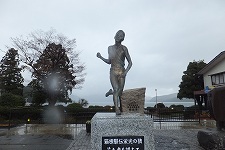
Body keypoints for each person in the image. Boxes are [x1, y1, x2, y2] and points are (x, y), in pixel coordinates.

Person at [97, 30, 132, 115]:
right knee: (116, 89)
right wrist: (101, 57)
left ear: (123, 38)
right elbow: (109, 61)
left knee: (120, 92)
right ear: (115, 36)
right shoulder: (110, 48)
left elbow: (130, 62)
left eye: (121, 36)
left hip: (121, 71)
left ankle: (110, 92)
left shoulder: (124, 48)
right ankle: (117, 108)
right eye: (118, 35)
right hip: (113, 71)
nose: (119, 36)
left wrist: (125, 72)